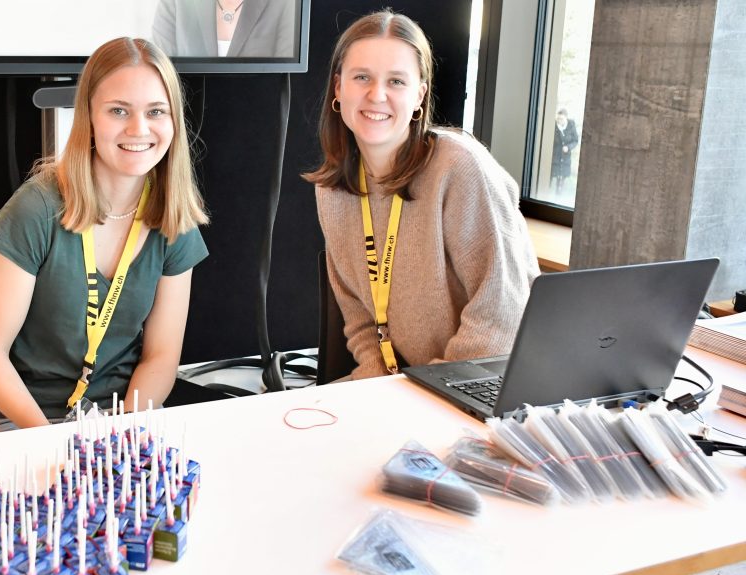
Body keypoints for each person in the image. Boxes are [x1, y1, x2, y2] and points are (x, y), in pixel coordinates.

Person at [0, 37, 209, 434]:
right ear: (89, 117)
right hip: (24, 422)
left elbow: (161, 358)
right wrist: (53, 441)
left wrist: (120, 437)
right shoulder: (37, 208)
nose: (139, 129)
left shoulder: (174, 217)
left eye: (156, 111)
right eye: (119, 110)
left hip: (120, 420)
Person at [303, 10, 540, 380]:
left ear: (419, 95)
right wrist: (375, 385)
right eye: (362, 77)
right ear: (338, 88)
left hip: (483, 381)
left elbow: (502, 315)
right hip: (404, 384)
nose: (376, 94)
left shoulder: (459, 167)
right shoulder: (332, 189)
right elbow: (359, 316)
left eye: (396, 81)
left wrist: (426, 389)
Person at [152, 0, 295, 58]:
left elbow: (288, 80)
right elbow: (161, 74)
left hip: (259, 109)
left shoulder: (283, 4)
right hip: (189, 111)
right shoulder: (175, 3)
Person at [551, 108, 580, 192]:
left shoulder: (571, 126)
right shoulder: (554, 126)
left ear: (566, 118)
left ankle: (558, 194)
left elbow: (575, 140)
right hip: (555, 156)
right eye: (558, 118)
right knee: (552, 177)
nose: (559, 121)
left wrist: (568, 147)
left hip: (565, 157)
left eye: (561, 119)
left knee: (561, 181)